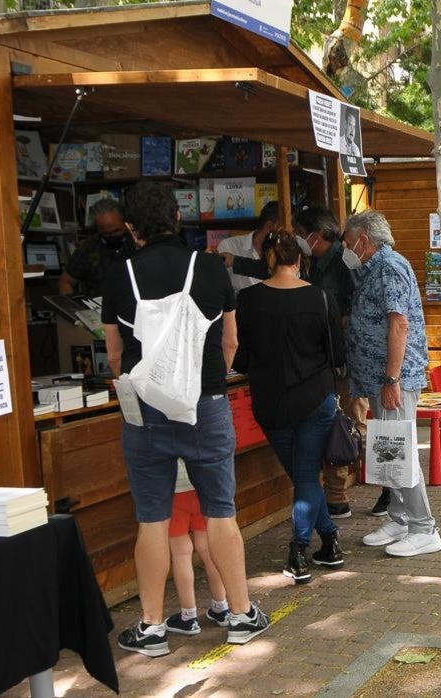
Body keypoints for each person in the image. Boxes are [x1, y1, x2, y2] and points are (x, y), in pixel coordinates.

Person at [101, 182, 268, 657]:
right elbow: (231, 343)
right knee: (220, 510)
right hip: (206, 404)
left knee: (153, 518)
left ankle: (152, 628)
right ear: (176, 215)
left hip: (146, 413)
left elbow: (115, 356)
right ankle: (240, 615)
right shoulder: (211, 268)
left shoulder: (120, 276)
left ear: (131, 227)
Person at [230, 206, 365, 518]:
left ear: (314, 237)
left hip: (298, 389)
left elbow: (242, 353)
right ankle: (326, 526)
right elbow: (281, 274)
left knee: (318, 456)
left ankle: (333, 503)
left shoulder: (339, 267)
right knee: (308, 470)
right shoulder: (316, 278)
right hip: (317, 387)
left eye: (304, 235)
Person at [235, 231, 346, 584]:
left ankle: (307, 547)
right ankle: (319, 544)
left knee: (301, 475)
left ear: (268, 259)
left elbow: (240, 359)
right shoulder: (320, 297)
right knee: (305, 476)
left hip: (271, 402)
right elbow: (338, 354)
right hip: (316, 398)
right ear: (299, 260)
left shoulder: (248, 299)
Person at [343, 211, 441, 557]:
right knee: (389, 448)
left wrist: (392, 378)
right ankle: (400, 518)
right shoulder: (373, 268)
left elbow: (399, 325)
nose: (347, 250)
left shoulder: (388, 267)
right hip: (379, 376)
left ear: (364, 241)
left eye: (348, 243)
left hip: (394, 378)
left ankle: (424, 527)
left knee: (399, 450)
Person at [165, 460, 229, 635]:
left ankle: (188, 617)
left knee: (181, 553)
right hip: (201, 488)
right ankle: (221, 608)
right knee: (208, 549)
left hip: (173, 491)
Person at [60, 198, 135, 297]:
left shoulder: (137, 243)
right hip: (98, 307)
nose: (112, 236)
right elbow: (65, 282)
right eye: (106, 233)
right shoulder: (89, 247)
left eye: (116, 231)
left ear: (126, 224)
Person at [218, 201, 280, 293]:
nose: (291, 235)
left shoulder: (285, 253)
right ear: (270, 226)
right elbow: (219, 288)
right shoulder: (229, 246)